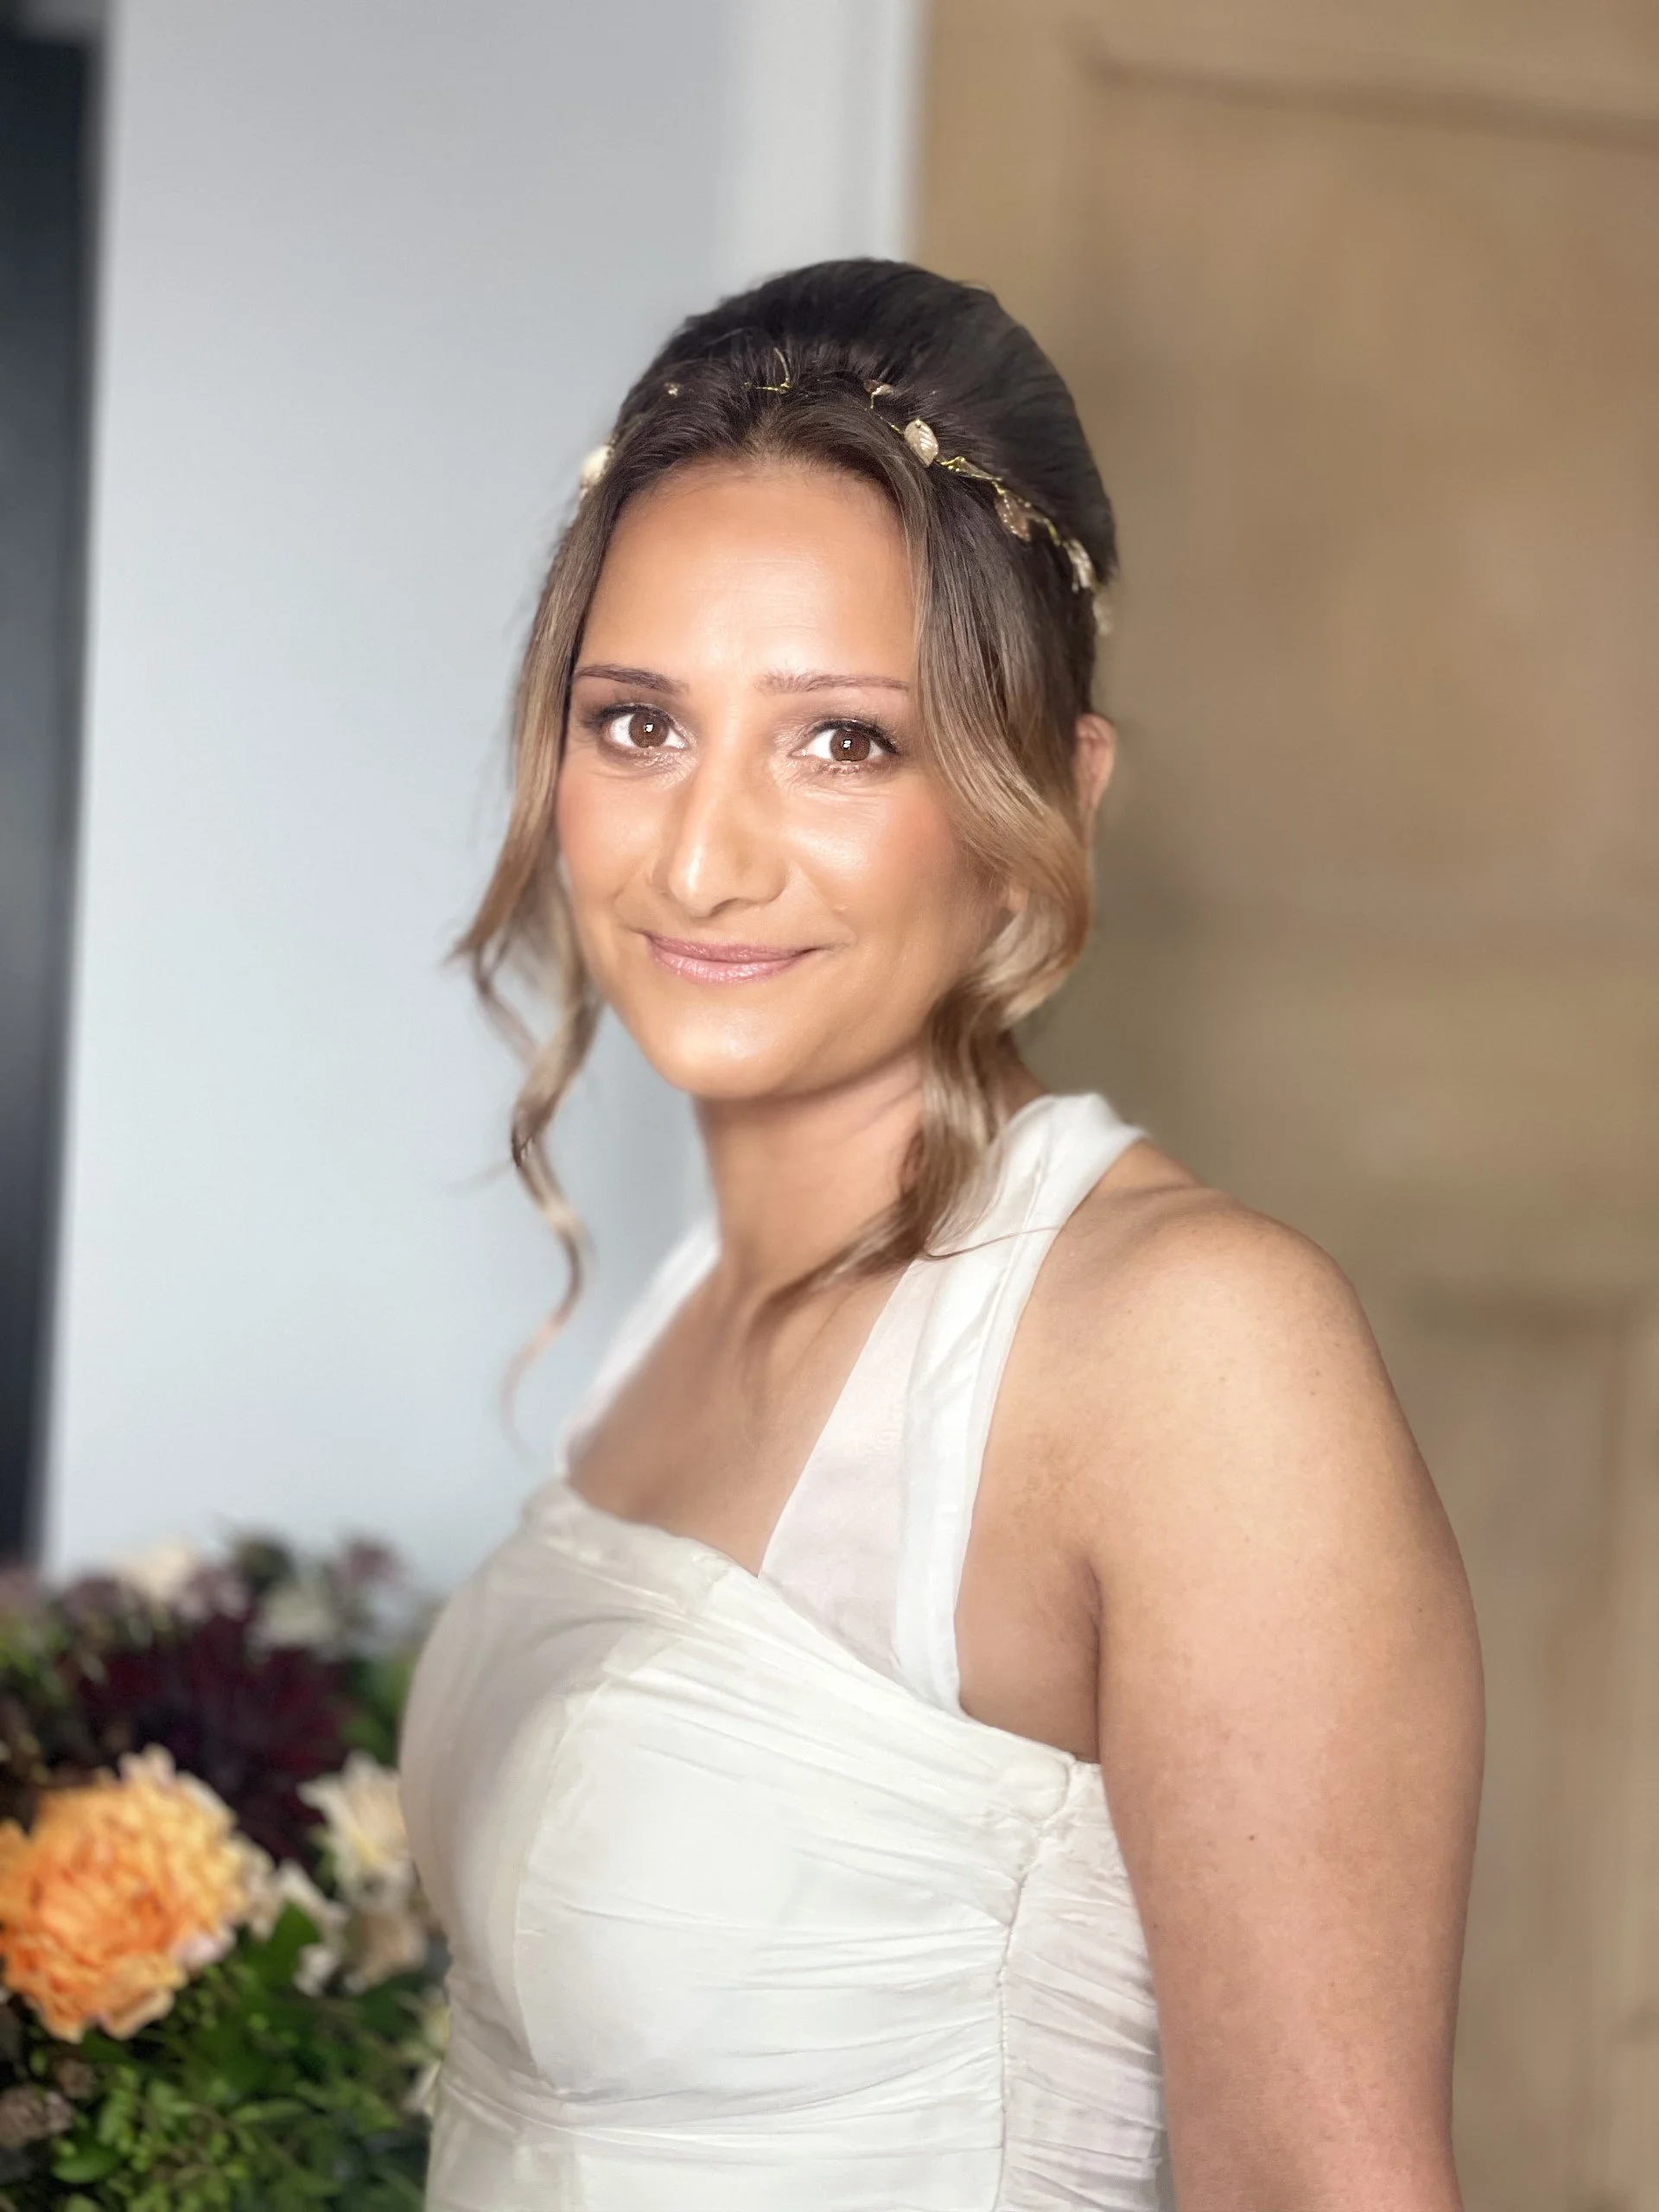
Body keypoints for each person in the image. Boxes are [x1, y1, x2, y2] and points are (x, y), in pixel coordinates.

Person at [399, 259, 1482, 2212]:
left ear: (1045, 790)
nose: (704, 855)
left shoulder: (1193, 1350)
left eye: (842, 741)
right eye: (638, 723)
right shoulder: (682, 1308)